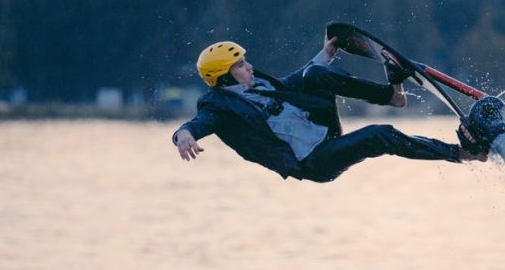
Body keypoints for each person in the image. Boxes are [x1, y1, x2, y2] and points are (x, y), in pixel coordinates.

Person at [173, 35, 487, 183]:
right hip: (313, 161)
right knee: (381, 135)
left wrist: (325, 55)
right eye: (241, 65)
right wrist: (183, 134)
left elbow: (295, 82)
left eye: (245, 61)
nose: (249, 66)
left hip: (324, 131)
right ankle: (463, 154)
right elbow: (200, 122)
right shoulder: (218, 106)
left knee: (314, 75)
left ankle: (393, 96)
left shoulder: (260, 84)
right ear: (224, 76)